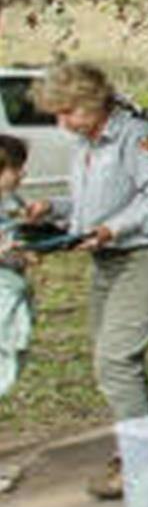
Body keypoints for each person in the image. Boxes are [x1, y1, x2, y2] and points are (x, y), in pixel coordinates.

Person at [23, 63, 148, 500]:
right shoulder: (87, 143)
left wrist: (112, 229)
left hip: (147, 257)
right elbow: (87, 204)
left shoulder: (139, 137)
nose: (63, 124)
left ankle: (142, 463)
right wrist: (51, 209)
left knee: (116, 358)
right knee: (108, 363)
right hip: (106, 261)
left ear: (92, 101)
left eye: (68, 112)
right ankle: (145, 446)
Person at [0, 135, 33, 401]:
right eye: (16, 167)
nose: (23, 173)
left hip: (12, 293)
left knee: (11, 356)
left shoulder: (13, 204)